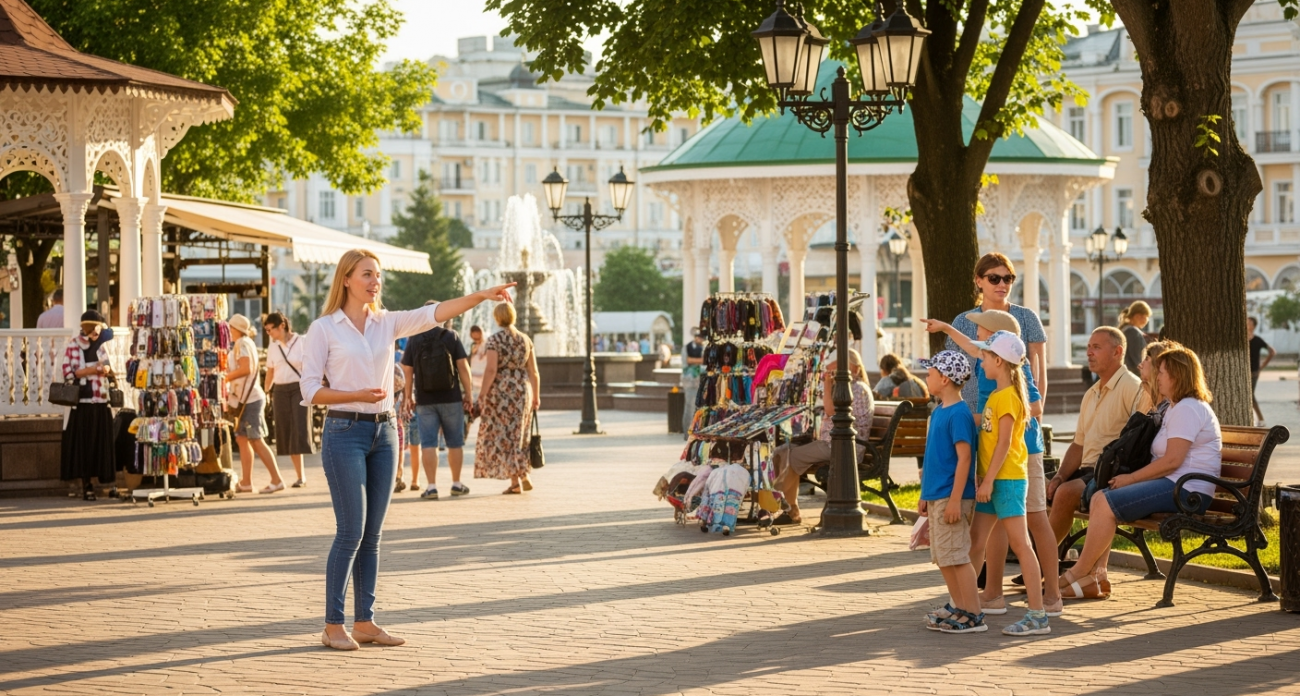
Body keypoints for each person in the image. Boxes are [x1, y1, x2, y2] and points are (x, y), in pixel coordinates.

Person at [300, 248, 512, 651]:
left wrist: (482, 295)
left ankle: (365, 621)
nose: (375, 281)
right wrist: (355, 394)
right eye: (367, 274)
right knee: (350, 532)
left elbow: (436, 313)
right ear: (346, 279)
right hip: (344, 430)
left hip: (385, 433)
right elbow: (310, 390)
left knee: (373, 535)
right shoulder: (324, 328)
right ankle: (333, 625)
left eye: (378, 275)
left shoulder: (387, 323)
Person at [926, 309, 1060, 616]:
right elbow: (973, 349)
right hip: (992, 469)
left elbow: (1027, 410)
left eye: (982, 332)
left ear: (998, 343)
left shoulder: (1012, 382)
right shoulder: (992, 366)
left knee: (1031, 525)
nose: (977, 344)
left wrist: (981, 418)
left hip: (1018, 459)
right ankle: (971, 602)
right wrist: (946, 326)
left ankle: (1048, 600)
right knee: (980, 537)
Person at [1059, 346, 1222, 597]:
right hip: (1176, 484)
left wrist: (1130, 479)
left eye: (1163, 372)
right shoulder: (1178, 407)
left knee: (1104, 500)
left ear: (1177, 376)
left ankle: (1080, 572)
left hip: (1186, 490)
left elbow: (1172, 461)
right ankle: (1092, 575)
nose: (1158, 377)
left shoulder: (1188, 408)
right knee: (1102, 496)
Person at [964, 331, 1049, 636]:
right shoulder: (998, 395)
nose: (982, 360)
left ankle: (1038, 615)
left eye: (985, 356)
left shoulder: (1010, 397)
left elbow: (1002, 445)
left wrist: (986, 481)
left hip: (1007, 481)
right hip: (992, 481)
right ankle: (966, 606)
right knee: (976, 542)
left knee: (1021, 544)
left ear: (998, 361)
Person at [1046, 327, 1144, 564]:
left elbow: (1141, 440)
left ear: (1117, 352)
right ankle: (1040, 559)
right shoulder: (1091, 392)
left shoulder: (1133, 387)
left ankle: (1041, 563)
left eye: (1096, 347)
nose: (1089, 353)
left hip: (1112, 472)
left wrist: (1064, 484)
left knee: (1066, 493)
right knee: (1036, 489)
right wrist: (1059, 476)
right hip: (1088, 471)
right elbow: (1078, 445)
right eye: (1089, 347)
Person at [915, 350, 983, 633]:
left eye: (930, 373)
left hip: (952, 497)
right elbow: (933, 458)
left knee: (957, 556)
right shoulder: (939, 411)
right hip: (937, 496)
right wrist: (924, 494)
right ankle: (959, 605)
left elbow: (965, 459)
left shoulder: (958, 414)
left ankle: (974, 613)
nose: (926, 377)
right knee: (944, 557)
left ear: (943, 378)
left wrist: (956, 499)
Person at [770, 349, 874, 525]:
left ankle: (778, 504)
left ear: (854, 369)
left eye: (838, 370)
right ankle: (789, 508)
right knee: (782, 450)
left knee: (792, 456)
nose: (834, 374)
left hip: (844, 446)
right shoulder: (848, 386)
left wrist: (827, 384)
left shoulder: (855, 388)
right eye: (833, 371)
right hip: (831, 442)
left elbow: (831, 411)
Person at [401, 304, 473, 500]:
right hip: (451, 398)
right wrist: (469, 394)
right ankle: (456, 484)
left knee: (428, 443)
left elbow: (407, 370)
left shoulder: (414, 339)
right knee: (455, 442)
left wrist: (408, 396)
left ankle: (431, 487)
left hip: (425, 400)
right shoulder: (451, 336)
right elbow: (463, 367)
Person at [476, 302, 541, 495]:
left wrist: (482, 394)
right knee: (521, 435)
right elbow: (534, 372)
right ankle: (523, 474)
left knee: (505, 436)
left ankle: (516, 480)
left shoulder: (495, 340)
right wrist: (536, 396)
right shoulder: (525, 339)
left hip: (502, 392)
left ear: (497, 318)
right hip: (523, 391)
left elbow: (491, 369)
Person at [59, 310, 115, 501]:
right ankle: (86, 485)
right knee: (85, 447)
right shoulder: (74, 345)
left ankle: (105, 483)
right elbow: (68, 373)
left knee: (100, 445)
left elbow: (107, 367)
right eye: (96, 327)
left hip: (100, 400)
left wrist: (104, 369)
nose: (98, 331)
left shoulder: (100, 345)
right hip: (82, 403)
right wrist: (93, 369)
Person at [226, 313, 285, 495]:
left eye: (230, 328)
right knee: (243, 438)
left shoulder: (242, 344)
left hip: (250, 399)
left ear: (235, 329)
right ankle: (246, 482)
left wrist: (225, 377)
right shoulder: (245, 343)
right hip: (248, 398)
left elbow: (246, 368)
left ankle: (276, 479)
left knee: (255, 439)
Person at [263, 312, 313, 487]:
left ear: (281, 326)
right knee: (285, 430)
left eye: (271, 330)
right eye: (267, 330)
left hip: (299, 388)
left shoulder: (302, 342)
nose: (269, 334)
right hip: (280, 390)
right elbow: (270, 371)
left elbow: (312, 365)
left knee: (299, 428)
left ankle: (301, 477)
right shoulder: (273, 347)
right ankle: (298, 476)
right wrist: (265, 392)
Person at [1135, 341, 1177, 414]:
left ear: (1158, 365)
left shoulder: (1170, 406)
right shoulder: (1144, 397)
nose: (1140, 365)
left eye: (1146, 359)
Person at [1247, 316, 1274, 426]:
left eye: (1248, 323)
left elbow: (1272, 352)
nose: (1246, 324)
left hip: (1254, 372)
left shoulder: (1257, 340)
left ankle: (1261, 419)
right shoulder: (1241, 340)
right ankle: (1251, 419)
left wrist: (1261, 367)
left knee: (1251, 396)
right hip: (1243, 372)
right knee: (1247, 396)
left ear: (1253, 326)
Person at [681, 329, 705, 436]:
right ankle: (687, 432)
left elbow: (706, 361)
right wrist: (700, 360)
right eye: (698, 336)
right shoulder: (687, 347)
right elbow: (687, 361)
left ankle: (697, 430)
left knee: (700, 407)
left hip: (702, 381)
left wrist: (694, 360)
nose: (699, 339)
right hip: (690, 381)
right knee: (689, 406)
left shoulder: (704, 348)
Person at [1117, 301, 1152, 375]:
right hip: (1133, 376)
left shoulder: (1125, 329)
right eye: (1146, 317)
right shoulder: (1132, 332)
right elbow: (1137, 360)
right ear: (1138, 316)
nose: (1147, 320)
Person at [468, 325, 488, 399]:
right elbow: (468, 360)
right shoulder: (473, 345)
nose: (476, 340)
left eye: (478, 338)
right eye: (474, 338)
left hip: (483, 377)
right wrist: (472, 353)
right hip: (474, 377)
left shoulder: (488, 344)